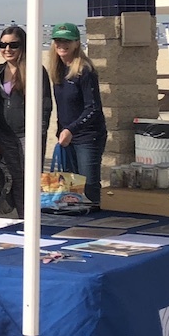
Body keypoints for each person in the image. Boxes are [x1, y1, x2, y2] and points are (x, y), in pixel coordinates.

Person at [0, 26, 52, 217]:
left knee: (31, 179)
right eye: (3, 44)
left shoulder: (35, 70)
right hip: (6, 135)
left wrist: (39, 134)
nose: (7, 49)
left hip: (28, 134)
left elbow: (45, 104)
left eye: (13, 45)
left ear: (23, 46)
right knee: (15, 179)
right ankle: (23, 218)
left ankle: (34, 219)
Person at [48, 22, 107, 206]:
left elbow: (93, 108)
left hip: (88, 136)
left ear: (76, 43)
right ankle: (73, 218)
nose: (62, 44)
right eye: (58, 40)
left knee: (88, 185)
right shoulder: (58, 70)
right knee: (70, 186)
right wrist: (61, 131)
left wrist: (71, 129)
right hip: (66, 137)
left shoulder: (85, 70)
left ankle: (95, 218)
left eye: (67, 41)